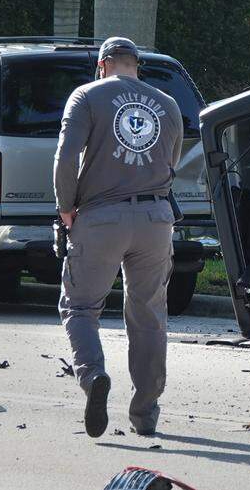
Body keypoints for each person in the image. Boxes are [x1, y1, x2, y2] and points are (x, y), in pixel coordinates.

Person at [54, 36, 183, 438]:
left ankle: (93, 376)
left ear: (103, 65)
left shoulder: (86, 96)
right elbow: (171, 161)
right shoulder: (168, 104)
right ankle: (145, 414)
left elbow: (66, 157)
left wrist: (65, 207)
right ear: (136, 66)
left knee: (79, 307)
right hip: (156, 219)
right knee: (148, 315)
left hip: (100, 217)